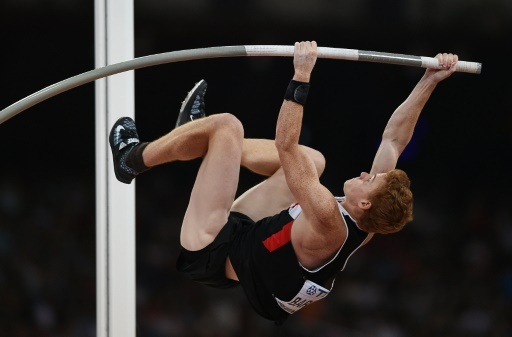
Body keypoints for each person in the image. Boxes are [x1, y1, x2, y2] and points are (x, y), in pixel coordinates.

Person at [108, 41, 458, 325]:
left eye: (372, 181)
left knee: (228, 126)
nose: (368, 174)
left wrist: (301, 74)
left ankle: (132, 159)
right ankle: (197, 135)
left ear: (365, 203)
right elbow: (394, 141)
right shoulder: (367, 223)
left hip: (211, 248)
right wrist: (428, 80)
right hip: (249, 239)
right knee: (315, 161)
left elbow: (286, 144)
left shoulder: (326, 216)